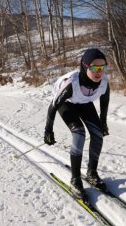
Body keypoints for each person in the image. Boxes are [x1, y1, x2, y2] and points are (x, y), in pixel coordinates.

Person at [44, 48, 110, 200]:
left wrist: (103, 123)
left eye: (103, 67)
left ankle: (92, 173)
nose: (99, 71)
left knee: (98, 134)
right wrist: (48, 130)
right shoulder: (71, 84)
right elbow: (53, 106)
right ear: (85, 66)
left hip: (83, 102)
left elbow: (104, 102)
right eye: (94, 67)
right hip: (66, 102)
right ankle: (75, 180)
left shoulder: (104, 83)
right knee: (79, 133)